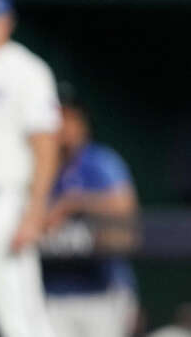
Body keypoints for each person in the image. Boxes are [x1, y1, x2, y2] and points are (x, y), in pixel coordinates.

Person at [41, 87, 139, 337]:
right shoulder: (38, 164)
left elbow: (124, 206)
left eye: (71, 118)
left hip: (102, 290)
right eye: (59, 118)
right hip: (50, 292)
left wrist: (72, 203)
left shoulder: (99, 161)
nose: (64, 127)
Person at [0, 0, 61, 337]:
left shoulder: (26, 70)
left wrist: (35, 211)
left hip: (5, 201)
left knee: (19, 313)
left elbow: (46, 145)